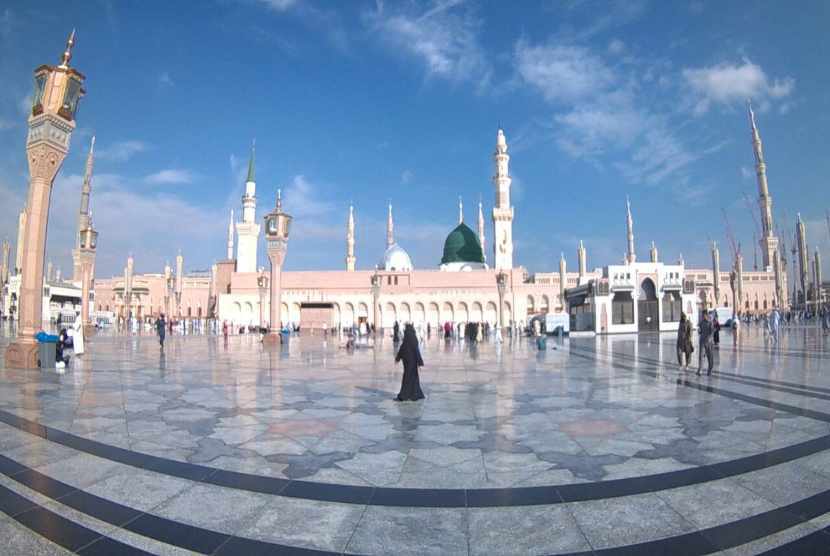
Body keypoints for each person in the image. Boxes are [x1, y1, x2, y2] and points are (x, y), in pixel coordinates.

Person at [394, 324, 425, 402]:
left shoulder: (406, 340)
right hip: (413, 363)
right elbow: (417, 352)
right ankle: (415, 394)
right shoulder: (414, 339)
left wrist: (397, 359)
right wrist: (420, 363)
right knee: (413, 378)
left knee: (407, 378)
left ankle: (404, 395)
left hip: (407, 363)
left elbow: (402, 350)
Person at [697, 311, 715, 376]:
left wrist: (709, 339)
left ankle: (710, 370)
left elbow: (712, 332)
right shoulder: (701, 322)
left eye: (703, 315)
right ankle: (700, 369)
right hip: (702, 341)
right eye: (702, 315)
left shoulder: (710, 322)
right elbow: (700, 330)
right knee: (701, 356)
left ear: (706, 315)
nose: (702, 316)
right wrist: (699, 331)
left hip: (709, 342)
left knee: (710, 357)